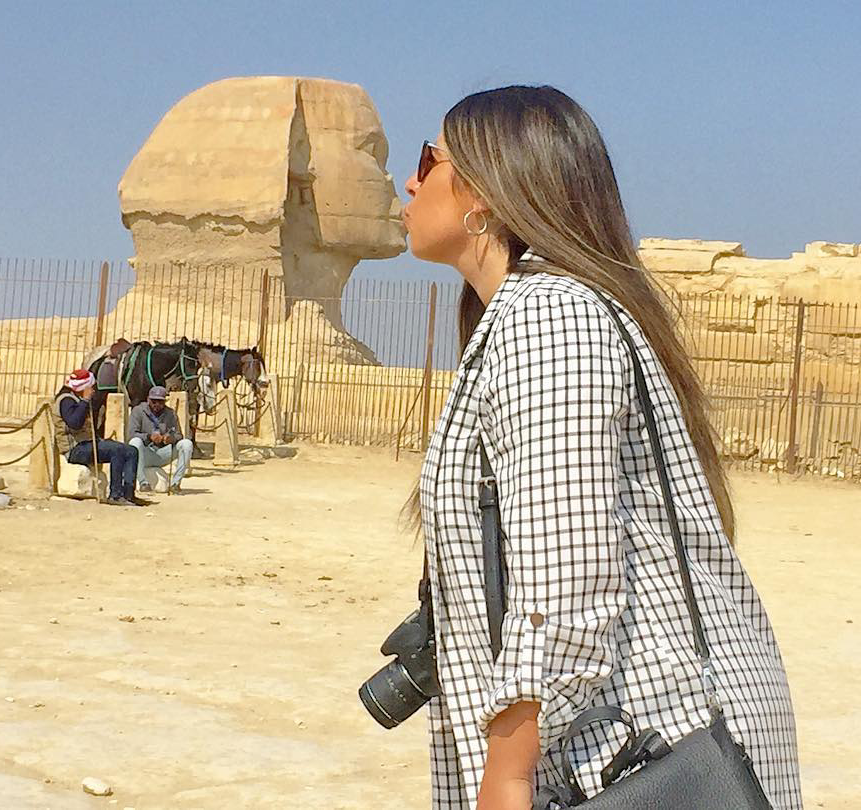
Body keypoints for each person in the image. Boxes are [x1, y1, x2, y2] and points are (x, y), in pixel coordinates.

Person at [400, 86, 801, 810]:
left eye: (429, 160)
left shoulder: (548, 318)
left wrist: (507, 773)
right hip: (639, 737)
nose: (409, 180)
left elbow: (565, 579)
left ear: (485, 191)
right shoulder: (537, 313)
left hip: (638, 748)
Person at [53, 369, 141, 506]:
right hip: (75, 449)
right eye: (91, 386)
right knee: (116, 450)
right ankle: (115, 495)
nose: (93, 390)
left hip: (88, 444)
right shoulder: (66, 400)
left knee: (131, 450)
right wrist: (85, 400)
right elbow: (75, 423)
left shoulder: (77, 399)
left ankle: (128, 494)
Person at [127, 386, 193, 494]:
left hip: (163, 452)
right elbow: (131, 434)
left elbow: (179, 435)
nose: (157, 405)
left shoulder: (170, 413)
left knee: (187, 444)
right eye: (154, 401)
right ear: (148, 399)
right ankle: (143, 482)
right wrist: (149, 437)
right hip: (145, 453)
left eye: (160, 402)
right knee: (135, 442)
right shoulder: (138, 411)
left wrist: (171, 438)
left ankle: (175, 483)